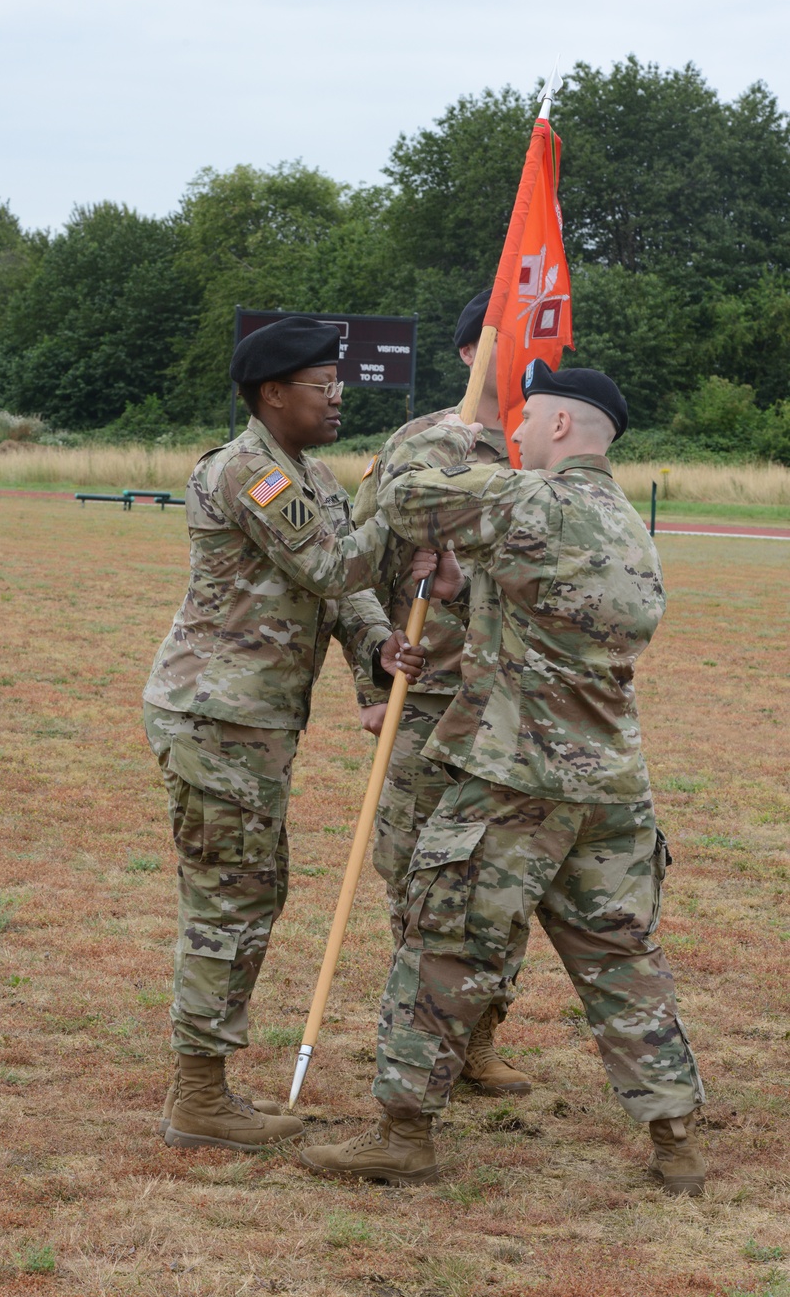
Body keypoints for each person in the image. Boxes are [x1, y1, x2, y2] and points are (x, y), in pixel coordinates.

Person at [301, 362, 707, 1194]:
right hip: (613, 786)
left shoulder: (537, 503)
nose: (510, 434)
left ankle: (403, 1134)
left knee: (443, 945)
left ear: (561, 428)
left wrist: (448, 431)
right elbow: (556, 615)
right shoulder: (625, 523)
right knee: (623, 961)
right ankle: (676, 1143)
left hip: (518, 778)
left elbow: (407, 498)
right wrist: (466, 591)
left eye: (525, 422)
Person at [144, 315, 426, 1153]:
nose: (338, 398)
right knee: (230, 898)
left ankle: (208, 1086)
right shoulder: (246, 474)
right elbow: (337, 564)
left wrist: (377, 660)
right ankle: (198, 1097)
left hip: (254, 717)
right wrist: (406, 503)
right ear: (273, 394)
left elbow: (348, 596)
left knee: (254, 892)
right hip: (215, 715)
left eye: (338, 384)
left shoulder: (309, 473)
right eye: (322, 386)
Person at [350, 289, 531, 1097]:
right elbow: (361, 570)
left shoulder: (549, 448)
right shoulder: (422, 446)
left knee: (500, 880)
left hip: (517, 706)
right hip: (428, 699)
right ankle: (420, 1043)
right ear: (470, 355)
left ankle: (481, 1038)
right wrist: (371, 681)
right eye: (506, 342)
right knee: (416, 872)